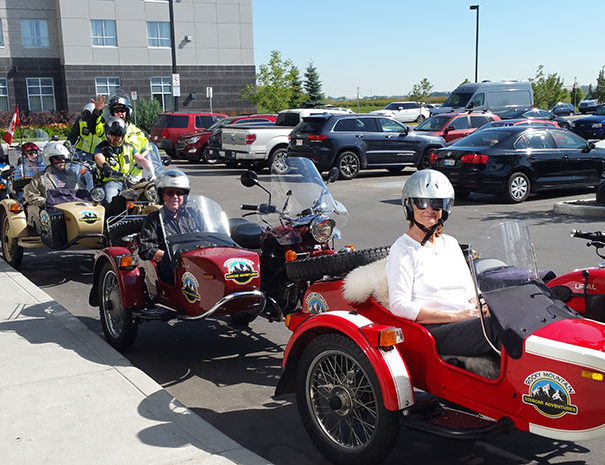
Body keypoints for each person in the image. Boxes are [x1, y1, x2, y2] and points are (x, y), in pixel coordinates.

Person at [386, 169, 501, 358]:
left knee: (514, 314)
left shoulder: (451, 243)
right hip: (436, 329)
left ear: (445, 208)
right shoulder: (403, 248)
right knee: (497, 327)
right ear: (410, 205)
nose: (429, 209)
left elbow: (470, 289)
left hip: (468, 320)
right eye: (422, 202)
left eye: (436, 203)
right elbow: (399, 305)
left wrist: (481, 303)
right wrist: (457, 317)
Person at [138, 170, 200, 284]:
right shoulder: (154, 218)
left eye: (179, 193)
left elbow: (207, 235)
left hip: (195, 262)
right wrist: (171, 257)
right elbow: (146, 249)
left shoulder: (192, 215)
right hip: (171, 266)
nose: (175, 197)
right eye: (170, 193)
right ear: (162, 196)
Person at [23, 141, 80, 234]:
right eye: (57, 159)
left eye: (63, 158)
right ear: (49, 160)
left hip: (70, 209)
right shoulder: (40, 177)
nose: (62, 161)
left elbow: (78, 193)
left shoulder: (71, 175)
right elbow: (30, 196)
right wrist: (47, 202)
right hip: (49, 211)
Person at [93, 116, 151, 203]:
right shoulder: (101, 147)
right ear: (107, 135)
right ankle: (111, 216)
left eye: (118, 136)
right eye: (112, 136)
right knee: (110, 199)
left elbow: (140, 158)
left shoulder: (129, 147)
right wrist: (105, 166)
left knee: (146, 196)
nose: (115, 139)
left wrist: (152, 169)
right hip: (112, 181)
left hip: (130, 181)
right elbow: (98, 157)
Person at [88, 93, 153, 159]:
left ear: (128, 112)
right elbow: (93, 128)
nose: (119, 113)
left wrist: (144, 163)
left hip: (133, 169)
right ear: (112, 113)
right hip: (110, 168)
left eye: (122, 110)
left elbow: (148, 152)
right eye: (116, 111)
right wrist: (97, 112)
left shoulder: (138, 133)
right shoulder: (107, 129)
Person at [66, 102, 103, 190]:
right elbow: (73, 136)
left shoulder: (102, 124)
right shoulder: (80, 121)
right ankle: (67, 194)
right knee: (72, 172)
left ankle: (90, 196)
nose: (86, 120)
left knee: (90, 177)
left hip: (96, 155)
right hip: (80, 153)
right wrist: (68, 145)